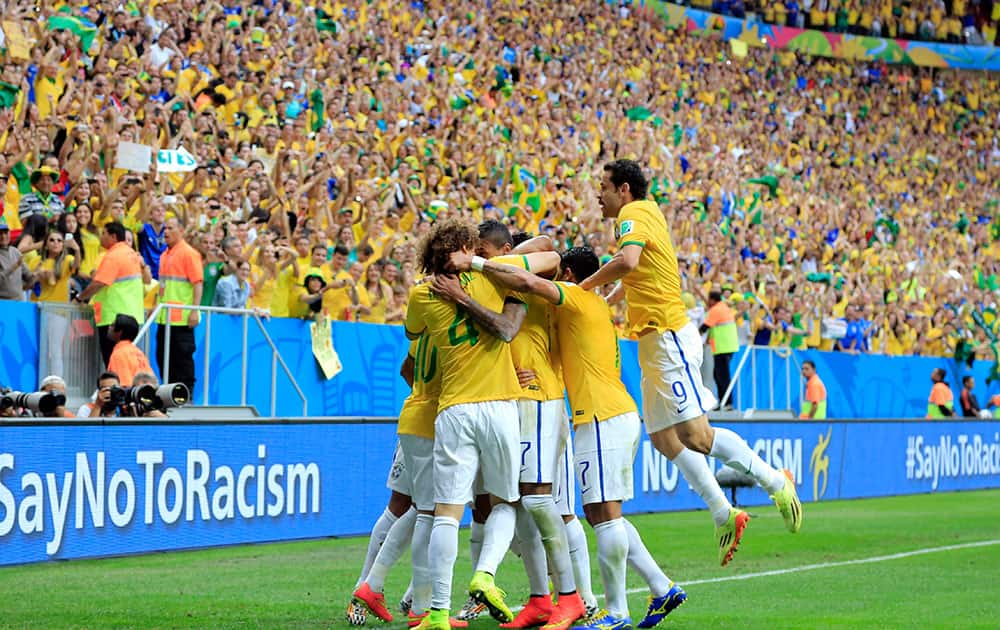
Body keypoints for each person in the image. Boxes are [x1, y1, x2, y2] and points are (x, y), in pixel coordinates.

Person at [449, 246, 687, 630]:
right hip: (610, 413)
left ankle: (615, 612)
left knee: (603, 516)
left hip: (600, 416)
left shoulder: (577, 295)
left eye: (559, 276)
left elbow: (528, 279)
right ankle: (661, 587)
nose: (553, 283)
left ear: (570, 274)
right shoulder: (584, 311)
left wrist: (474, 263)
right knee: (599, 514)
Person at [578, 160, 801, 568]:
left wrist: (585, 287)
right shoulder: (644, 213)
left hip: (666, 336)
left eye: (603, 186)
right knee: (664, 440)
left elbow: (627, 263)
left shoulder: (633, 213)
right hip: (651, 340)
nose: (599, 194)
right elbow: (637, 274)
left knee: (697, 436)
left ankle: (775, 480)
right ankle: (724, 513)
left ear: (623, 189)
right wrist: (604, 302)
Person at [432, 220, 586, 629]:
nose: (471, 260)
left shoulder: (519, 273)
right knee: (509, 504)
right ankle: (539, 597)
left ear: (496, 251)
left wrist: (483, 261)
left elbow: (550, 248)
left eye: (480, 250)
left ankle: (574, 596)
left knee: (541, 502)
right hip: (507, 402)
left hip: (540, 398)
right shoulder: (490, 281)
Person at [403, 219, 527, 629]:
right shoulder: (493, 279)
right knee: (505, 503)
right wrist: (474, 274)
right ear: (468, 250)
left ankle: (438, 611)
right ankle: (484, 573)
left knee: (445, 513)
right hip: (499, 405)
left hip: (453, 409)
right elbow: (511, 317)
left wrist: (450, 294)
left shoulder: (421, 295)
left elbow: (413, 331)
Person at [74, 222, 144, 365]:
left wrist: (80, 298)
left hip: (114, 317)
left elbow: (99, 283)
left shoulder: (114, 255)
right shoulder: (131, 254)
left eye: (104, 234)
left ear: (113, 236)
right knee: (126, 360)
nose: (101, 237)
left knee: (113, 362)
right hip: (132, 315)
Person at [156, 217, 204, 395]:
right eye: (164, 228)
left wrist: (194, 311)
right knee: (163, 358)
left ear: (181, 231)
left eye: (170, 228)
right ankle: (170, 394)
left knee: (182, 359)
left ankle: (186, 394)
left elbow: (197, 283)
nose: (165, 232)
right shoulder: (164, 255)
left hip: (181, 318)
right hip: (164, 317)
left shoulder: (189, 253)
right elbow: (162, 287)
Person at [700, 291, 739, 407]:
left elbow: (704, 327)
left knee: (722, 376)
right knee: (718, 375)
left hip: (723, 347)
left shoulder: (716, 309)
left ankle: (727, 403)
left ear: (712, 300)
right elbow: (714, 327)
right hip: (728, 346)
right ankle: (723, 401)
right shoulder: (724, 307)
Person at [18, 166, 65, 252]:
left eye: (49, 180)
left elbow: (63, 220)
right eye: (42, 180)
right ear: (36, 183)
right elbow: (26, 222)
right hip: (34, 240)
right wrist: (50, 220)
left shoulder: (57, 200)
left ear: (53, 183)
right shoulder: (26, 199)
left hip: (55, 240)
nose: (46, 182)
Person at [107, 314, 153, 387]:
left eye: (112, 325)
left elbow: (124, 386)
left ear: (120, 332)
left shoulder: (119, 354)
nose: (109, 327)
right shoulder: (139, 352)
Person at [0, 218, 33, 300]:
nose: (3, 236)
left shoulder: (15, 252)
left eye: (5, 233)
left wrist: (38, 273)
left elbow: (28, 276)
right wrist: (14, 266)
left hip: (19, 302)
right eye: (0, 233)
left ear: (9, 234)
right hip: (2, 302)